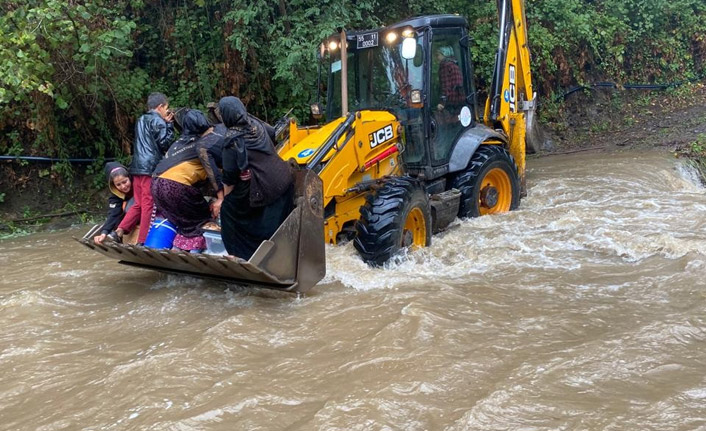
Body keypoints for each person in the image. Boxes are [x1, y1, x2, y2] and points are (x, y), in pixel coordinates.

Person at [218, 96, 294, 260]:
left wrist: (224, 200)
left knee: (228, 210)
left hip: (265, 186)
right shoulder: (256, 124)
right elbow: (273, 133)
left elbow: (229, 179)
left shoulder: (231, 140)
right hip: (284, 176)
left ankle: (239, 255)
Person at [151, 109, 225, 252]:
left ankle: (177, 252)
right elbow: (213, 172)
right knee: (203, 220)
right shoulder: (204, 144)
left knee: (185, 225)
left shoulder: (180, 141)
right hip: (175, 187)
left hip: (155, 185)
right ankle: (200, 254)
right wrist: (221, 197)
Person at [116, 92, 175, 245]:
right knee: (149, 204)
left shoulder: (141, 119)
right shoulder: (159, 121)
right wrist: (169, 125)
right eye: (166, 108)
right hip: (150, 168)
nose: (166, 112)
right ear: (160, 106)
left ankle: (120, 230)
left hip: (136, 166)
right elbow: (165, 144)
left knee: (138, 203)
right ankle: (142, 241)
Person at [94, 162, 134, 244]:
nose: (123, 187)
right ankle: (117, 236)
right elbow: (113, 213)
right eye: (118, 184)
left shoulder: (138, 182)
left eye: (125, 182)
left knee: (129, 206)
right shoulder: (115, 194)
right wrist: (104, 232)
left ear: (129, 177)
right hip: (130, 213)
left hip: (141, 206)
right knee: (119, 214)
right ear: (113, 185)